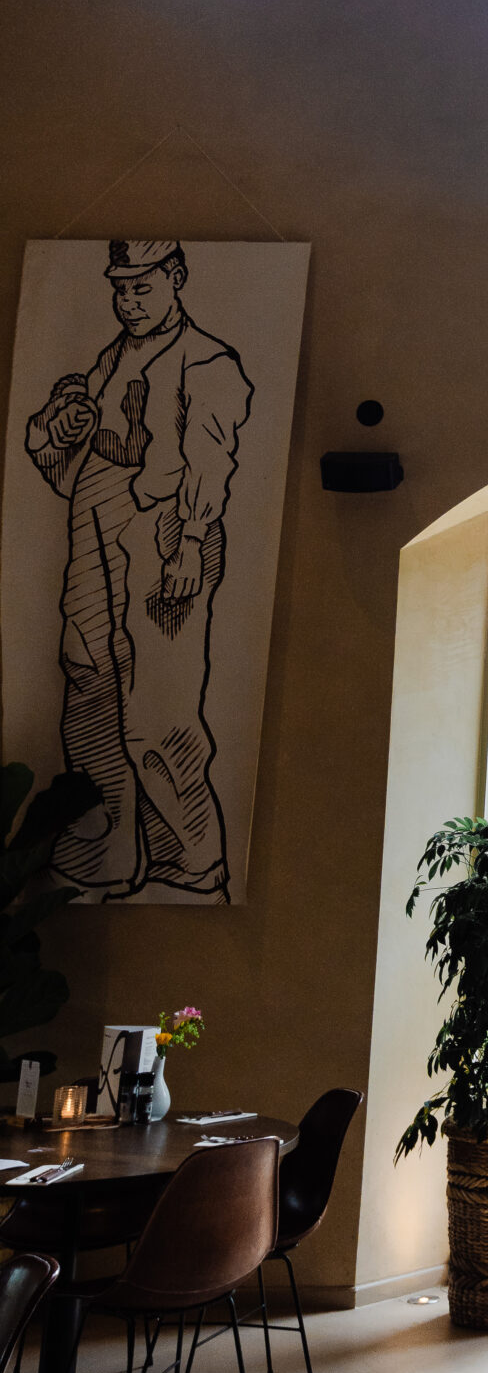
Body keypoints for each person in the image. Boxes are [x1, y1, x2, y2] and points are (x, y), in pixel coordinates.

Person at [24, 240, 252, 900]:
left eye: (141, 287)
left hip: (162, 535)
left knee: (158, 705)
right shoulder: (112, 355)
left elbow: (209, 459)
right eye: (119, 289)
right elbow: (61, 447)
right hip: (95, 526)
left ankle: (190, 860)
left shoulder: (207, 360)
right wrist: (62, 424)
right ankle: (99, 858)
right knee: (89, 680)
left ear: (175, 279)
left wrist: (190, 542)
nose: (127, 302)